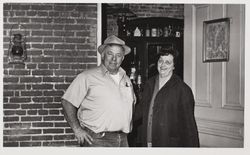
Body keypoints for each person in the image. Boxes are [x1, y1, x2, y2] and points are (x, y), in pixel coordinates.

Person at [61, 35, 136, 147]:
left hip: (123, 139)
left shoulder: (126, 79)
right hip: (97, 140)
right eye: (110, 53)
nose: (114, 59)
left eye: (118, 55)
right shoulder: (87, 77)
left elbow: (132, 104)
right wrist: (77, 129)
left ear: (123, 58)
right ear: (103, 55)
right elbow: (67, 102)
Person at [135, 47, 199, 147]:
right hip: (148, 142)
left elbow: (189, 126)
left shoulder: (183, 89)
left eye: (168, 62)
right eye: (160, 61)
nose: (163, 65)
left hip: (168, 144)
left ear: (174, 66)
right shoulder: (149, 84)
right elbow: (140, 110)